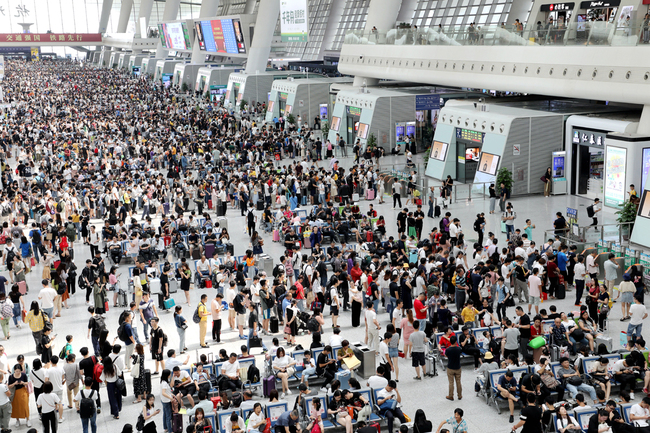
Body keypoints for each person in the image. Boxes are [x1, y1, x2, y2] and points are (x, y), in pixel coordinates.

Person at [445, 336, 462, 401]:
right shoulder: (459, 349)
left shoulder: (448, 350)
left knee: (451, 382)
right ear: (455, 341)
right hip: (458, 367)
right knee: (458, 382)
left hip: (450, 367)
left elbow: (446, 355)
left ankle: (451, 396)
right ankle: (459, 395)